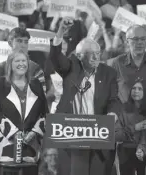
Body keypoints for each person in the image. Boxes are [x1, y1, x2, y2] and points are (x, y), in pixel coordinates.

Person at [50, 17, 121, 175]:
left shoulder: (108, 73)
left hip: (97, 133)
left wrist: (113, 113)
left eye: (98, 53)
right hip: (71, 133)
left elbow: (114, 100)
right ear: (80, 56)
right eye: (91, 54)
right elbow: (55, 57)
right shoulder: (71, 68)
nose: (97, 58)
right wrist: (60, 32)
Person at [0, 50, 49, 175]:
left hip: (31, 147)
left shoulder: (36, 84)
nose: (21, 64)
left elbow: (44, 113)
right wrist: (14, 133)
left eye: (24, 61)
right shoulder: (1, 83)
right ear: (10, 64)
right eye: (17, 61)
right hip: (5, 146)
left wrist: (34, 132)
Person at [115, 78, 146, 175]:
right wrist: (135, 128)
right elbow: (116, 135)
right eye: (134, 88)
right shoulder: (123, 109)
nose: (136, 91)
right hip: (126, 151)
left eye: (140, 89)